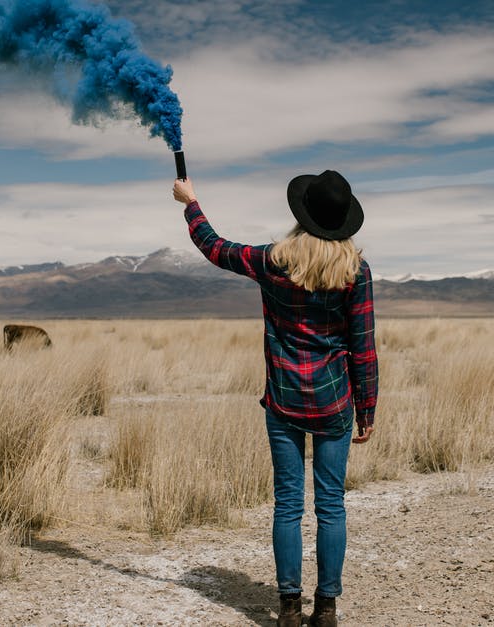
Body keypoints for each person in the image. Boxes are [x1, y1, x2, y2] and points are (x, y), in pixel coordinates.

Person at [172, 170, 378, 627]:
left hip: (283, 400)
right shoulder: (355, 272)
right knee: (330, 504)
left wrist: (190, 203)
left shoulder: (272, 261)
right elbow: (364, 345)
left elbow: (214, 247)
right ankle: (325, 610)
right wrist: (368, 409)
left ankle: (288, 609)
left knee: (288, 503)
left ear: (301, 217)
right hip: (335, 403)